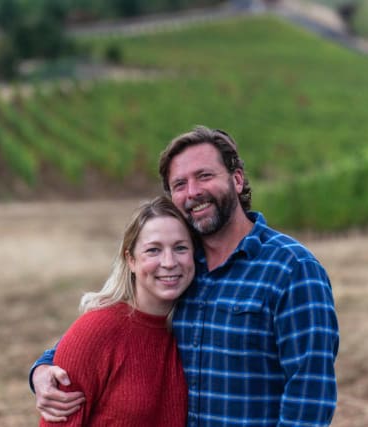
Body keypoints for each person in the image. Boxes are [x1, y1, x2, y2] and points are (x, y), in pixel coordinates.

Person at [31, 126, 340, 426]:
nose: (193, 192)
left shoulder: (291, 268)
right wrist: (43, 369)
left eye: (204, 176)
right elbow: (110, 332)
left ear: (237, 179)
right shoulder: (182, 267)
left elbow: (309, 397)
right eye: (179, 184)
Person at [38, 196, 196, 426]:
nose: (169, 261)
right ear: (130, 260)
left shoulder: (196, 325)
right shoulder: (95, 330)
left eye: (180, 247)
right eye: (153, 250)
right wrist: (39, 369)